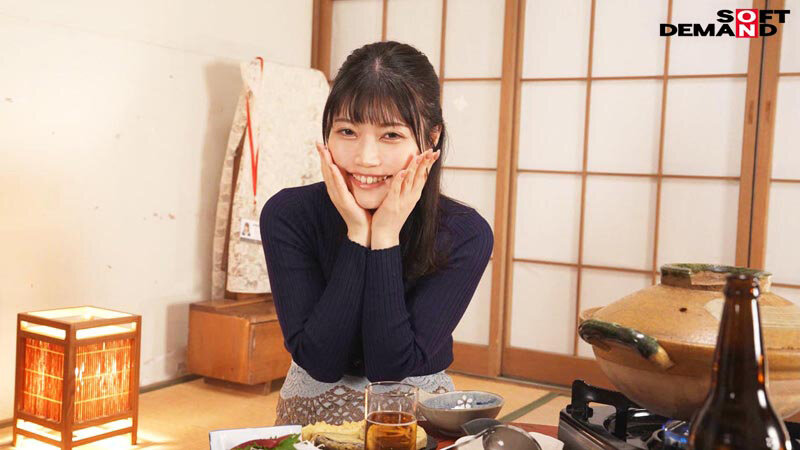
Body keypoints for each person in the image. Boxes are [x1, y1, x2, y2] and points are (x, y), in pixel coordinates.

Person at [260, 41, 494, 426]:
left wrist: (384, 237)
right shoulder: (288, 215)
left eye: (391, 136)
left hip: (416, 420)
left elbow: (391, 367)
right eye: (347, 131)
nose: (365, 158)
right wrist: (357, 233)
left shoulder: (465, 233)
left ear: (432, 137)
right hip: (310, 419)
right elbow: (320, 361)